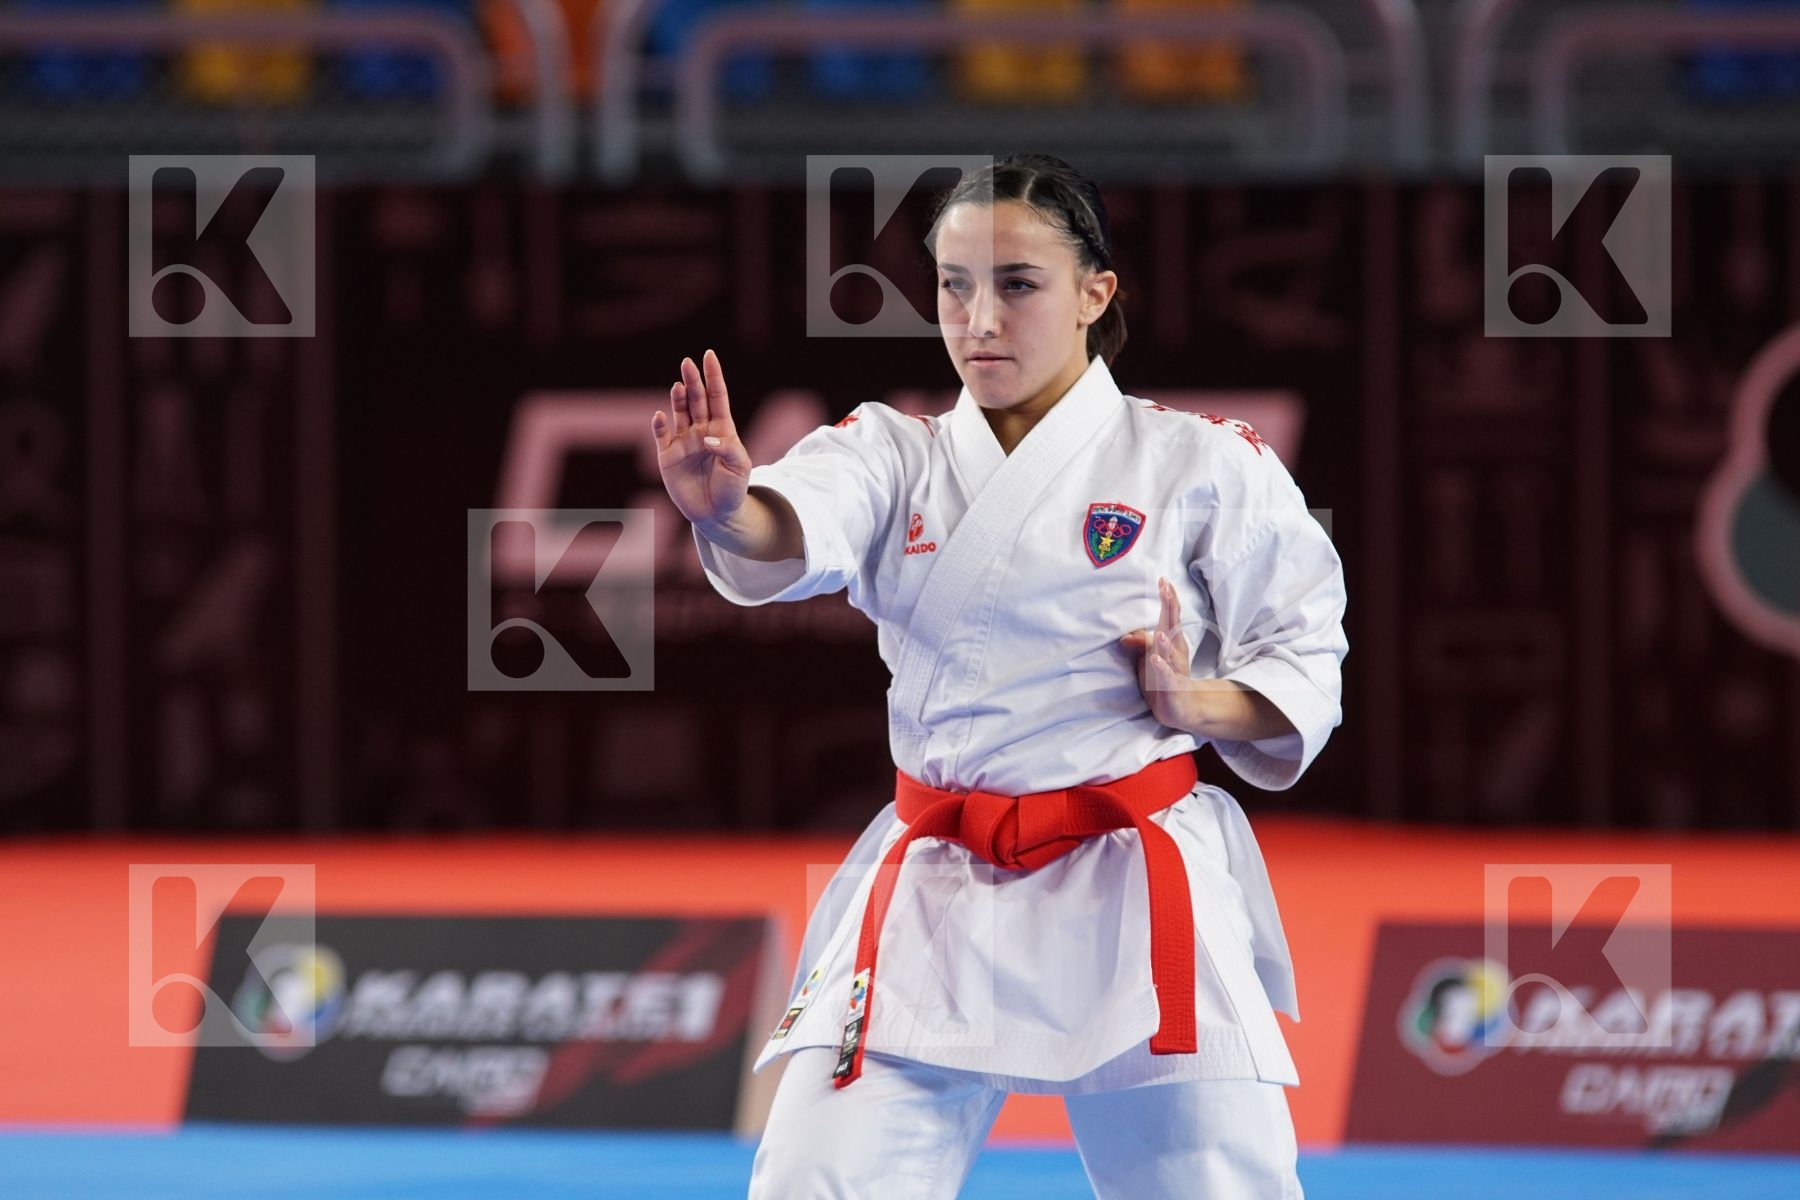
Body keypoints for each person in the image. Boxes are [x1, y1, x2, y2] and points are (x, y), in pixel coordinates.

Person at [651, 153, 1347, 1199]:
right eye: (955, 285)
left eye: (1017, 284)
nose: (980, 317)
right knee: (814, 1179)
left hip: (1132, 882)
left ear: (1094, 293)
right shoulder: (896, 451)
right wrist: (724, 511)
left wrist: (1195, 702)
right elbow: (793, 527)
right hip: (938, 883)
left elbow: (1305, 651)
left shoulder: (1199, 462)